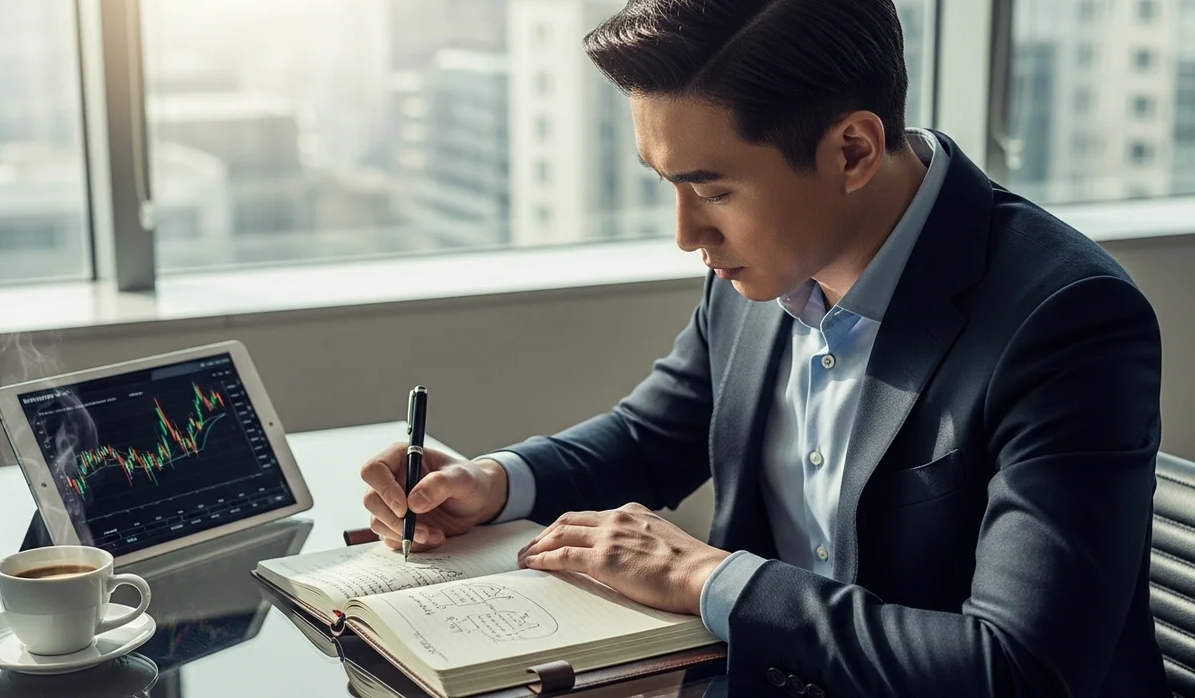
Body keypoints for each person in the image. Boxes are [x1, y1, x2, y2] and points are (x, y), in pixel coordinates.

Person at [359, 0, 1169, 695]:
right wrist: (493, 483)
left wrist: (703, 576)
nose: (685, 234)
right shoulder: (766, 260)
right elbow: (656, 434)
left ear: (852, 150)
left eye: (712, 190)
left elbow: (1020, 670)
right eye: (667, 183)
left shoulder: (1068, 321)